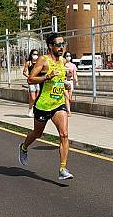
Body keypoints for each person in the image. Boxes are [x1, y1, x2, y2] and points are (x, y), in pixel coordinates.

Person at [18, 33, 73, 180]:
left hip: (58, 103)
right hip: (43, 105)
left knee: (64, 134)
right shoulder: (44, 60)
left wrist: (65, 84)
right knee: (37, 133)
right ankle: (24, 147)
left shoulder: (62, 61)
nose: (62, 48)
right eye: (58, 45)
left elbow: (59, 80)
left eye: (63, 44)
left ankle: (62, 168)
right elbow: (30, 79)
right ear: (50, 46)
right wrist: (47, 77)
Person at [23, 49, 40, 117]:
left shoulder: (39, 63)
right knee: (32, 98)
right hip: (31, 82)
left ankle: (35, 111)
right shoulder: (28, 63)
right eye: (34, 54)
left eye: (37, 54)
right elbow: (24, 72)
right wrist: (29, 76)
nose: (35, 56)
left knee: (37, 97)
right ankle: (30, 110)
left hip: (38, 81)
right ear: (31, 55)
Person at [64, 51, 78, 116]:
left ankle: (66, 107)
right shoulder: (62, 65)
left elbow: (75, 74)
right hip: (64, 81)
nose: (68, 57)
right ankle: (68, 111)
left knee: (70, 98)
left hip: (71, 81)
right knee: (66, 96)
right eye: (67, 56)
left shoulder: (73, 65)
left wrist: (76, 81)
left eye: (69, 56)